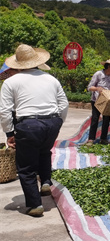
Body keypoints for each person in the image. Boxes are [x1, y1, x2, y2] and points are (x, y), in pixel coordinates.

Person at [0, 44, 68, 217]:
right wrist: (58, 124)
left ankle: (35, 204)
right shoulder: (51, 79)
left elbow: (4, 111)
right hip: (52, 122)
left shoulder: (10, 82)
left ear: (17, 64)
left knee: (26, 167)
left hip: (29, 125)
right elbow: (64, 105)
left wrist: (9, 133)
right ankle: (45, 182)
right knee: (44, 151)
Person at [87, 58, 110, 145]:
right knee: (95, 119)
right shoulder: (99, 74)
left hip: (108, 102)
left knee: (106, 119)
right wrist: (97, 88)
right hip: (97, 100)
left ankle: (103, 138)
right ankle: (91, 139)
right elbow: (90, 87)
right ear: (109, 67)